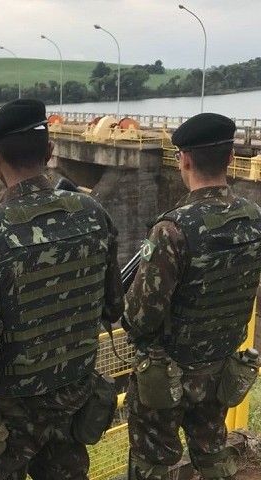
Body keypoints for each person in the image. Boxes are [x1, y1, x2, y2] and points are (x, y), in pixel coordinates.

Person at [0, 98, 124, 480]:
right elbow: (112, 307)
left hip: (9, 416)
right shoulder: (93, 214)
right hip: (73, 398)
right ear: (50, 150)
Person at [123, 112, 261, 479]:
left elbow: (140, 318)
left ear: (183, 159)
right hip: (221, 369)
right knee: (213, 452)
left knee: (155, 462)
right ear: (231, 158)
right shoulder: (254, 218)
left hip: (166, 376)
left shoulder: (173, 229)